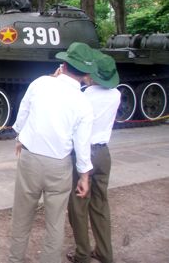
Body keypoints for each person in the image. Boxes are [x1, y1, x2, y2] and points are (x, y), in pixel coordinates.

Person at [8, 42, 96, 263]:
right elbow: (82, 144)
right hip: (59, 165)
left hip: (30, 159)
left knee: (21, 215)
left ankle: (15, 259)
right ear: (86, 74)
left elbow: (23, 113)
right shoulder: (84, 103)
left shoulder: (41, 83)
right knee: (55, 222)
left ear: (63, 65)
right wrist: (84, 176)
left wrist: (19, 136)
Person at [66, 50, 121, 263]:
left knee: (78, 206)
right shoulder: (116, 94)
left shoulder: (84, 95)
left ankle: (82, 254)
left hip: (84, 153)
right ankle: (105, 253)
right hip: (104, 154)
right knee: (100, 203)